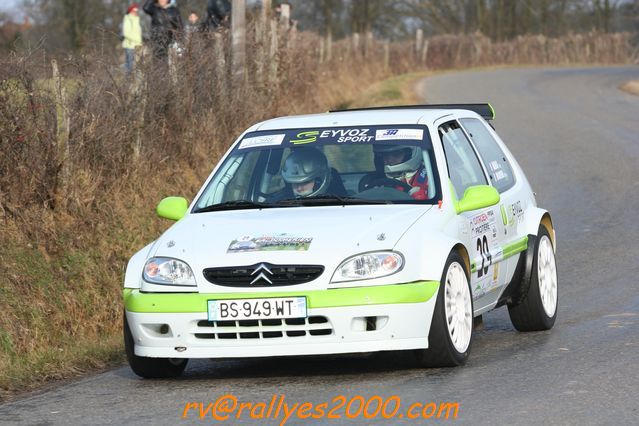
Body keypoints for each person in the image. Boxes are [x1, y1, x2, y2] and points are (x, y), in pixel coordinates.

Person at [280, 148, 346, 198]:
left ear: (319, 181)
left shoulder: (344, 208)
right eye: (295, 183)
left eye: (305, 182)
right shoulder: (276, 204)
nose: (299, 188)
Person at [122, 3, 143, 75]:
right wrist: (137, 40)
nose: (135, 12)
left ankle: (135, 81)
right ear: (130, 11)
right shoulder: (128, 19)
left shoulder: (136, 19)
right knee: (130, 65)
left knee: (137, 65)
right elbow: (126, 33)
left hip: (137, 46)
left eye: (136, 11)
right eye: (134, 11)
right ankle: (128, 80)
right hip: (130, 45)